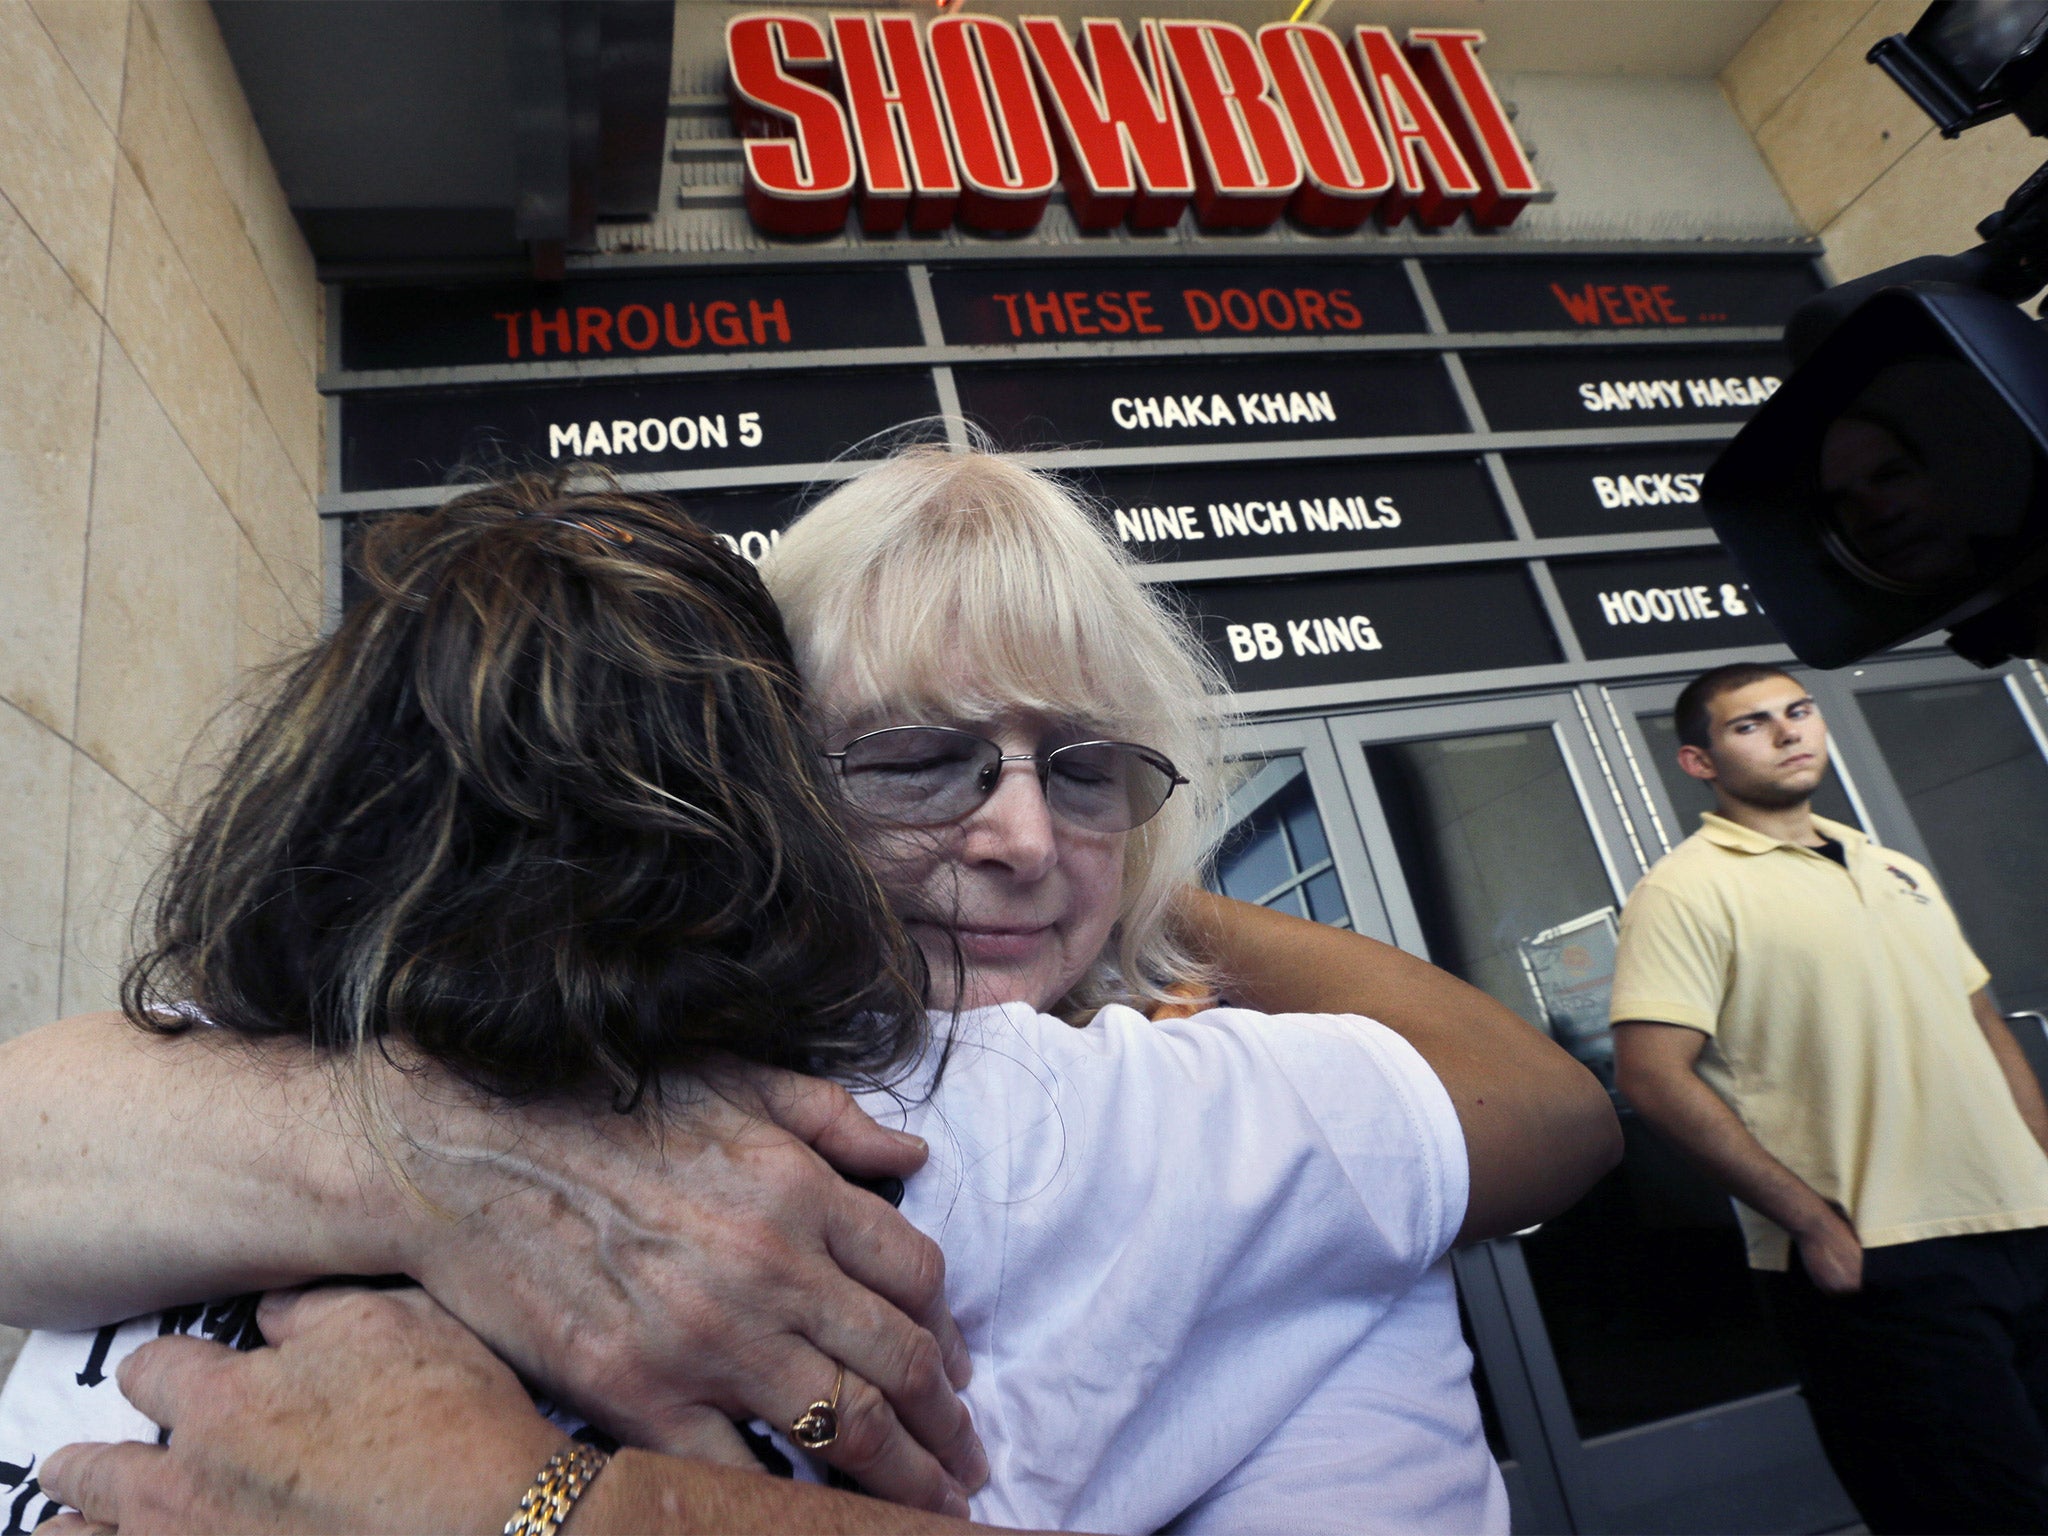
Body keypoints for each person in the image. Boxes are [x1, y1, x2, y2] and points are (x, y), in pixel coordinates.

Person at [3, 452, 1618, 1533]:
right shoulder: (391, 1035)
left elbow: (1537, 1111)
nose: (1015, 834)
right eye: (917, 760)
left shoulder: (1241, 1170)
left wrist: (545, 1503)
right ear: (757, 772)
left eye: (1090, 771)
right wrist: (446, 1158)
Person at [1610, 661, 2048, 1534]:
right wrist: (1810, 1221)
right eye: (1751, 724)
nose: (1788, 732)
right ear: (1700, 762)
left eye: (1799, 711)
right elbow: (1653, 1077)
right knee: (1976, 1515)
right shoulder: (1687, 890)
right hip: (1880, 1255)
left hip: (2020, 1230)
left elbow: (1985, 1023)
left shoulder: (1892, 867)